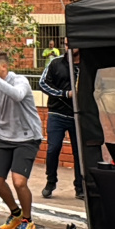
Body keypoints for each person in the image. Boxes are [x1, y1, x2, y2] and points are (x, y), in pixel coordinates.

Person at [0, 52, 41, 229]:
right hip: (5, 137)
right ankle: (16, 214)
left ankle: (27, 221)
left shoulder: (20, 81)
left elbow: (17, 96)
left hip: (27, 137)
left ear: (3, 67)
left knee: (19, 181)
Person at [38, 46, 83, 199]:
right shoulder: (56, 63)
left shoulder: (86, 65)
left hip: (78, 116)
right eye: (65, 43)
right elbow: (43, 84)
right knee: (53, 148)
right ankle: (51, 182)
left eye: (72, 43)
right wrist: (65, 94)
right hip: (57, 113)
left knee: (79, 153)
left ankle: (80, 187)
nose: (68, 46)